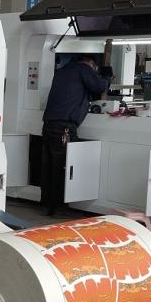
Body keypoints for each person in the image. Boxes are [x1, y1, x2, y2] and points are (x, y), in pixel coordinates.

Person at [40, 54, 113, 216]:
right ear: (91, 63)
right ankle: (59, 208)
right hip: (64, 127)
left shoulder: (62, 71)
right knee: (62, 167)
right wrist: (106, 76)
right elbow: (99, 87)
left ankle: (46, 204)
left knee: (49, 166)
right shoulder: (84, 68)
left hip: (49, 124)